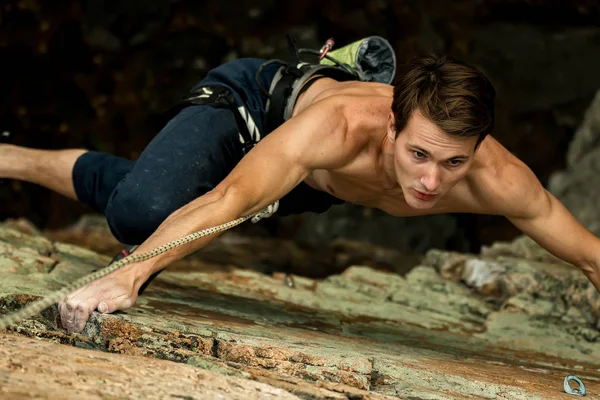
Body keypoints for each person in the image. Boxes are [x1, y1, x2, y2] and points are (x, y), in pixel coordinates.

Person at [2, 53, 599, 335]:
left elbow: (587, 253)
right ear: (392, 126)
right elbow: (229, 202)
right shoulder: (339, 129)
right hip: (262, 107)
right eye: (418, 154)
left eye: (453, 163)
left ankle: (351, 60)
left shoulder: (497, 177)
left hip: (319, 181)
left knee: (145, 192)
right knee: (141, 213)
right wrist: (127, 275)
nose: (431, 183)